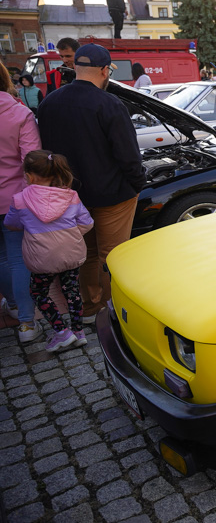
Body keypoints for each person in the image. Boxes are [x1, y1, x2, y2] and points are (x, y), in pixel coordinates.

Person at [36, 44, 146, 320]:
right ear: (104, 70)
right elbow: (128, 155)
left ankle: (90, 305)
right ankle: (114, 311)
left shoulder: (49, 103)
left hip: (71, 195)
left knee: (86, 255)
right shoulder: (109, 103)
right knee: (114, 255)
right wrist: (137, 184)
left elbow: (46, 151)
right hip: (113, 195)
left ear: (75, 68)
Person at [4, 151, 93, 352]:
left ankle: (62, 332)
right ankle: (79, 332)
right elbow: (87, 223)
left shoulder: (20, 199)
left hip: (41, 257)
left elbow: (11, 223)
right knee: (72, 291)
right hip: (71, 252)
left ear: (29, 175)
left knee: (38, 292)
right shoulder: (70, 196)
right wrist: (68, 235)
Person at [0, 60, 41, 343]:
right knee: (18, 259)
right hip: (13, 198)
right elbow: (33, 162)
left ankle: (13, 305)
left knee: (2, 258)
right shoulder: (18, 113)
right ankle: (27, 324)